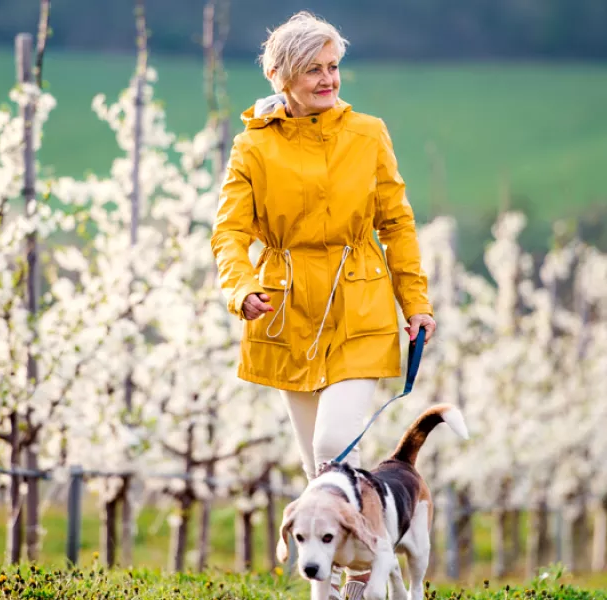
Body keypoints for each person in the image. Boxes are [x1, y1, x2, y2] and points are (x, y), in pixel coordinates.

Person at [210, 11, 436, 600]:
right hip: (286, 317)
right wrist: (240, 288)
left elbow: (396, 223)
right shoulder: (252, 146)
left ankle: (361, 582)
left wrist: (415, 301)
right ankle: (339, 585)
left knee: (332, 447)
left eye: (333, 66)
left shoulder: (368, 134)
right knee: (320, 475)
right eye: (314, 69)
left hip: (360, 306)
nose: (329, 79)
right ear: (283, 77)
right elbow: (229, 232)